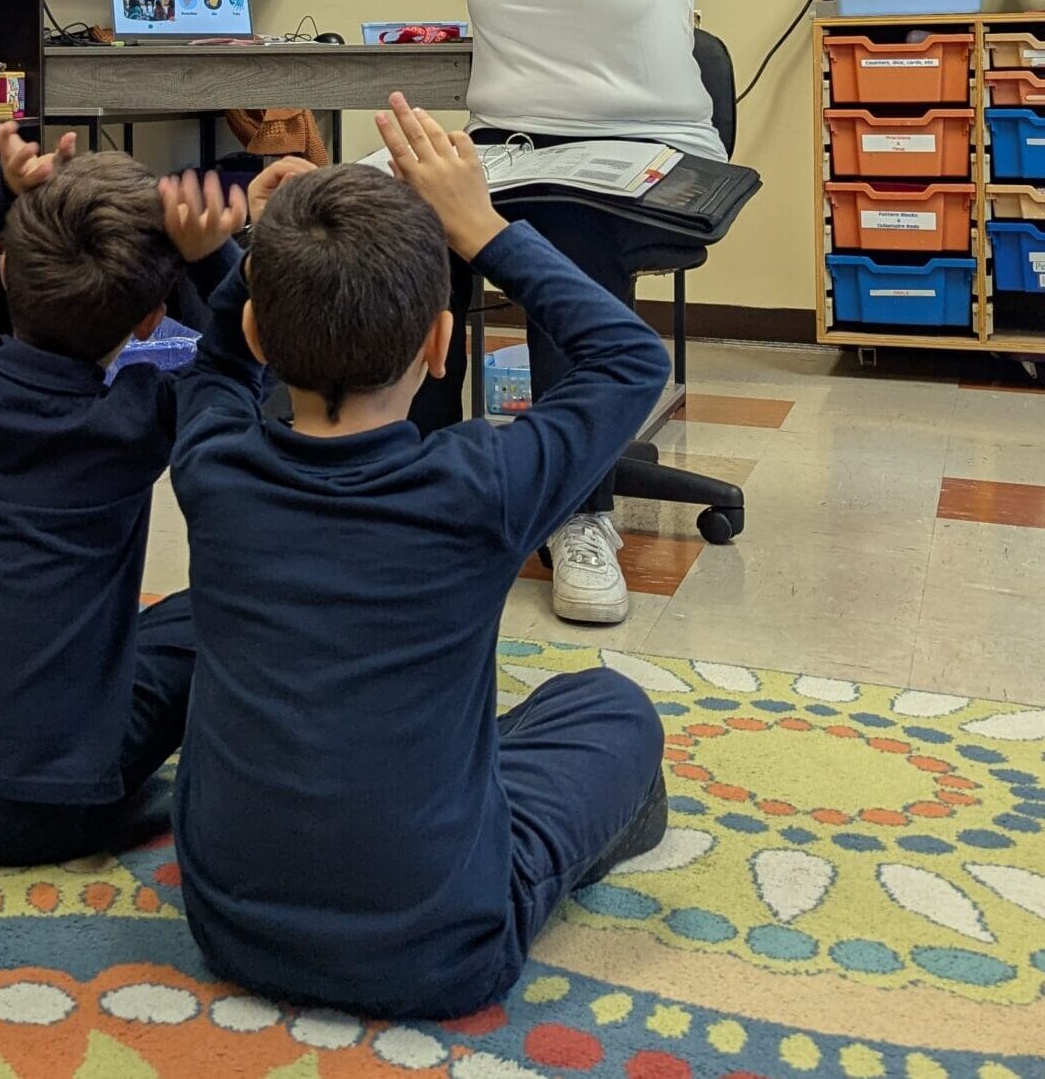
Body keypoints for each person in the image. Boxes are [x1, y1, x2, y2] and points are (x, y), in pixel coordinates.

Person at [168, 94, 672, 1020]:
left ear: (257, 337)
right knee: (611, 708)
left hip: (229, 926)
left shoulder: (212, 465)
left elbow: (214, 366)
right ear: (441, 345)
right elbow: (631, 360)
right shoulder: (482, 482)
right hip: (441, 949)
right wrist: (482, 227)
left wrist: (265, 249)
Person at [359, 0, 726, 624]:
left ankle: (578, 514)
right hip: (510, 148)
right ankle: (417, 487)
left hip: (643, 154)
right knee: (389, 216)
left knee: (556, 235)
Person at [0, 114, 304, 866]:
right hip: (42, 812)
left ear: (8, 272)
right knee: (230, 607)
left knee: (156, 628)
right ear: (154, 318)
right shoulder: (140, 415)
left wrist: (2, 185)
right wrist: (216, 251)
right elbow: (254, 362)